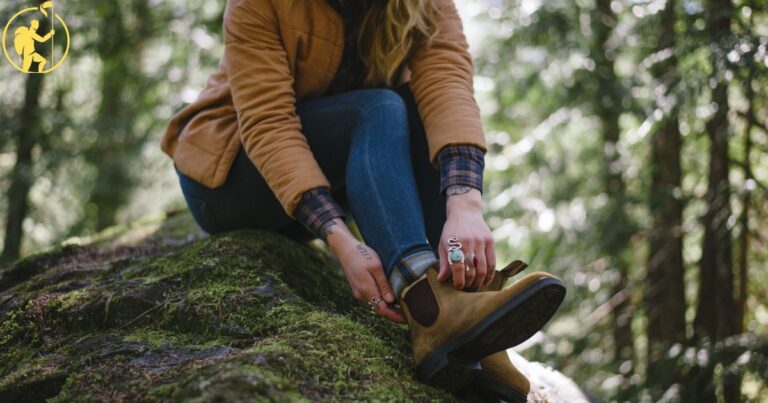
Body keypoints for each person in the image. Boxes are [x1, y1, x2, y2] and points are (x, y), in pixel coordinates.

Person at [160, 0, 565, 400]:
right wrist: (340, 239)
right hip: (228, 174)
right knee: (379, 107)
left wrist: (466, 204)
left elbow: (447, 84)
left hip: (328, 170)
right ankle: (426, 303)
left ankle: (460, 304)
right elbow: (268, 124)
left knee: (413, 105)